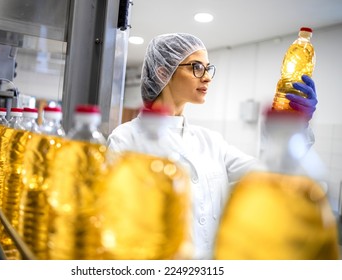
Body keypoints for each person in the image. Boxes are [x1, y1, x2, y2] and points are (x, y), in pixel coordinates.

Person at [107, 33, 318, 259]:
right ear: (162, 72)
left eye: (208, 68)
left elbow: (272, 175)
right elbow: (113, 220)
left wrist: (296, 127)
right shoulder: (125, 139)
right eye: (196, 67)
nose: (207, 77)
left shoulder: (211, 141)